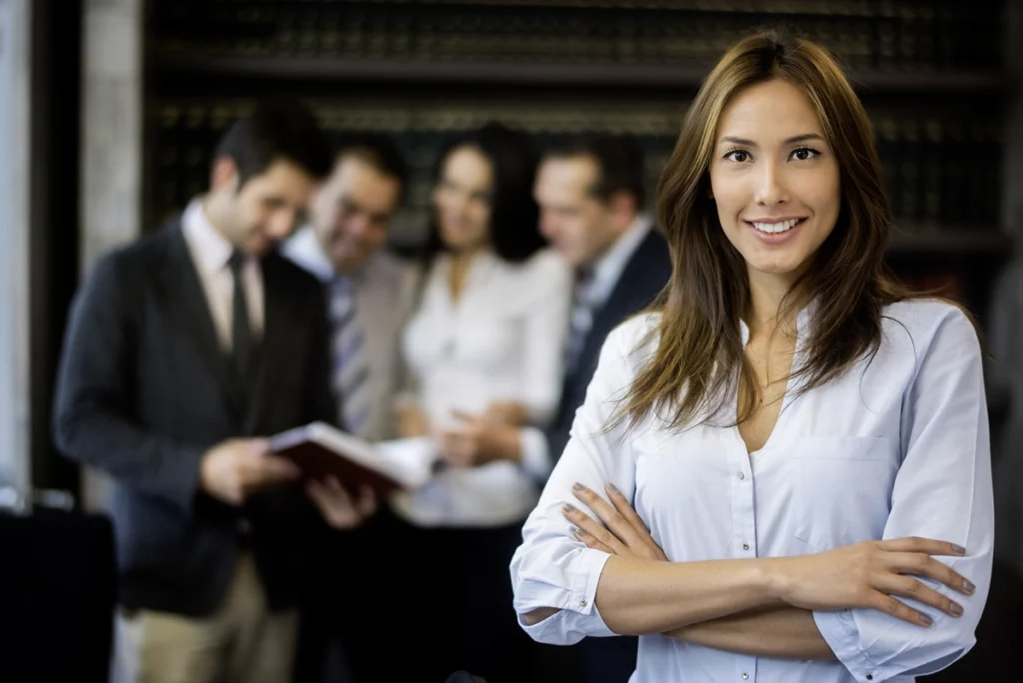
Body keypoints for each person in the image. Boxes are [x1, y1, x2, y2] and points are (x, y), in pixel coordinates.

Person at [510, 30, 993, 683]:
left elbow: (929, 621)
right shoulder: (639, 352)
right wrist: (793, 577)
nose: (769, 189)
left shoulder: (929, 345)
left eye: (802, 153)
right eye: (739, 155)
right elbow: (542, 582)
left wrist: (654, 590)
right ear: (706, 180)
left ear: (846, 169)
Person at [52, 101, 375, 683]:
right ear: (225, 175)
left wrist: (344, 481)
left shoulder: (302, 289)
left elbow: (317, 417)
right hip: (169, 576)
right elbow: (78, 420)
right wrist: (198, 469)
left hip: (278, 579)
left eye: (297, 213)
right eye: (271, 204)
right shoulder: (127, 277)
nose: (282, 228)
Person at [441, 132, 672, 682]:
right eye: (543, 209)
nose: (546, 228)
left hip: (633, 562)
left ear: (619, 208)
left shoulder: (662, 283)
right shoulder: (593, 272)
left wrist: (511, 444)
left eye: (565, 212)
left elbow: (627, 438)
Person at [385, 122, 573, 683]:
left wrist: (493, 424)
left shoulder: (543, 271)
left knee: (490, 668)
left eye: (479, 195)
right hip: (417, 501)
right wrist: (408, 411)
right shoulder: (429, 267)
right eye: (449, 186)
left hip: (495, 510)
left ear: (506, 202)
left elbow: (544, 394)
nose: (457, 207)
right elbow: (413, 374)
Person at [281, 133, 419, 682]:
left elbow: (405, 387)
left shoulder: (400, 282)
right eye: (348, 208)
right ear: (316, 193)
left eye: (378, 219)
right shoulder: (270, 274)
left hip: (376, 521)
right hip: (288, 521)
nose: (360, 231)